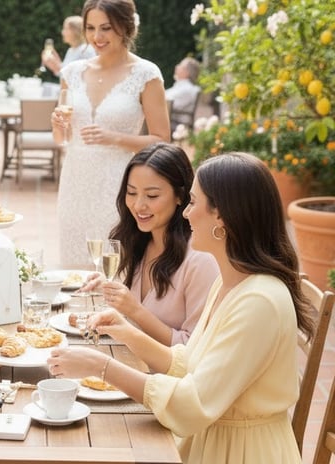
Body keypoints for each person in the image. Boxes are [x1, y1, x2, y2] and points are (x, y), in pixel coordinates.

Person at [48, 152, 313, 464]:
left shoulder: (260, 301)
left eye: (193, 202)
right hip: (209, 447)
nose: (186, 213)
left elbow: (192, 404)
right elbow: (190, 360)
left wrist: (102, 367)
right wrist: (126, 332)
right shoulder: (230, 283)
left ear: (222, 217)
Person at [51, 0, 171, 267]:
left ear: (126, 26)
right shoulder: (71, 73)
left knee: (115, 266)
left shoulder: (146, 74)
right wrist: (58, 126)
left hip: (120, 185)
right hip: (75, 184)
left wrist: (114, 138)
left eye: (106, 28)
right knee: (74, 267)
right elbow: (62, 140)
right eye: (91, 28)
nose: (97, 37)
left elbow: (162, 141)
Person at [82, 142, 218, 346]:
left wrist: (134, 310)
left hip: (166, 375)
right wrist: (112, 286)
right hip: (132, 361)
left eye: (152, 195)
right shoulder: (140, 241)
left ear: (180, 196)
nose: (138, 205)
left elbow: (192, 349)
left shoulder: (200, 261)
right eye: (131, 192)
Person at [165, 56, 201, 129]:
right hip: (171, 120)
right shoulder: (181, 86)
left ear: (187, 72)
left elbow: (166, 102)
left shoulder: (187, 89)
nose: (176, 67)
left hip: (176, 124)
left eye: (180, 65)